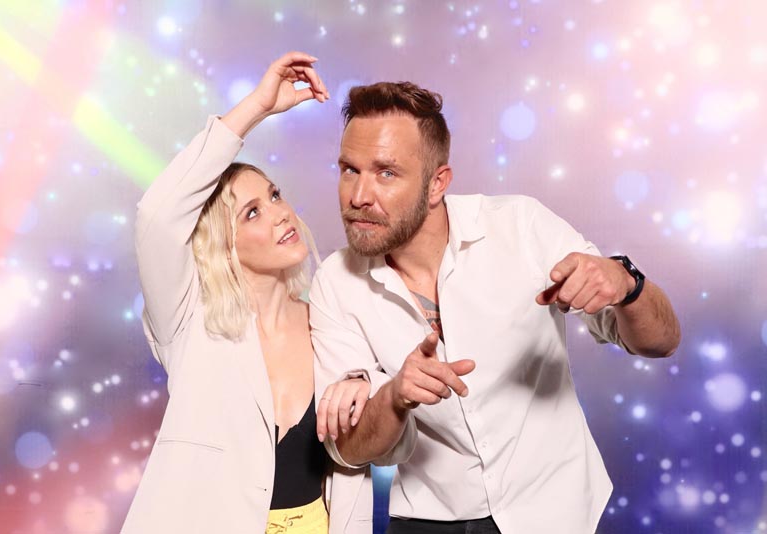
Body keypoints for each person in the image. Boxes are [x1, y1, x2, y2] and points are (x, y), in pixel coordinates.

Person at [313, 81, 681, 534]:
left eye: (386, 173)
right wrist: (394, 397)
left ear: (437, 184)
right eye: (349, 170)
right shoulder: (335, 282)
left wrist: (628, 284)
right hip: (429, 520)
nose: (358, 196)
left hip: (554, 513)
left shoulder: (521, 227)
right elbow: (349, 450)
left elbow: (661, 342)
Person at [122, 52, 373, 534]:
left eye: (275, 195)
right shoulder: (191, 323)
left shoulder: (330, 321)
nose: (280, 213)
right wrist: (258, 107)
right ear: (224, 243)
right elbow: (156, 217)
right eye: (252, 212)